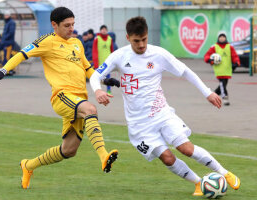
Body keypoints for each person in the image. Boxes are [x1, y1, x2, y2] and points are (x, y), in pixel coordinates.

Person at [89, 16, 241, 196]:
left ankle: (225, 173)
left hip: (162, 114)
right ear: (128, 38)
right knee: (167, 158)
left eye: (144, 39)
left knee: (186, 148)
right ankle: (199, 183)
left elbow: (185, 71)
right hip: (139, 125)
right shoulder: (119, 56)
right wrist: (98, 91)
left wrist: (207, 92)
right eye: (136, 41)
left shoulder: (158, 54)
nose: (141, 45)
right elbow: (94, 76)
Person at [0, 7, 119, 189]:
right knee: (91, 109)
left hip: (79, 98)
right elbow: (21, 54)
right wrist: (2, 70)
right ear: (54, 25)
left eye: (73, 24)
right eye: (67, 25)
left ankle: (28, 165)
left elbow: (88, 69)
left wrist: (104, 79)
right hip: (63, 96)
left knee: (69, 150)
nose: (71, 28)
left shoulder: (77, 43)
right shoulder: (46, 41)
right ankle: (104, 156)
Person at [204, 33, 240, 106]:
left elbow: (234, 56)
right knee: (222, 84)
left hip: (227, 69)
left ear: (225, 38)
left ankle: (214, 94)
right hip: (219, 70)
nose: (222, 38)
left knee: (223, 84)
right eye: (220, 37)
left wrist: (236, 62)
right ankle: (225, 98)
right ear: (218, 38)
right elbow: (207, 55)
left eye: (223, 37)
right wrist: (209, 60)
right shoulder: (214, 47)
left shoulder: (230, 47)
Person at [92, 25, 114, 94]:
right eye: (102, 29)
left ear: (107, 31)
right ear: (100, 30)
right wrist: (95, 62)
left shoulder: (110, 39)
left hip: (108, 62)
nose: (104, 30)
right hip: (99, 62)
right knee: (99, 77)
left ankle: (108, 90)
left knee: (108, 76)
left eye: (105, 29)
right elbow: (94, 51)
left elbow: (112, 51)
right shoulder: (97, 38)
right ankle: (99, 90)